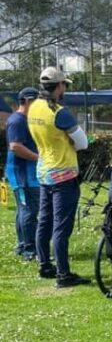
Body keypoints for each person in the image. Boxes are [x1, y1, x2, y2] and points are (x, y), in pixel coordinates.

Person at [27, 67, 90, 287]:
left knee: (44, 221)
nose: (66, 89)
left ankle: (45, 265)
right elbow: (83, 143)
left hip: (44, 171)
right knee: (61, 227)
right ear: (59, 86)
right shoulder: (59, 112)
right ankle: (64, 275)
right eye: (65, 85)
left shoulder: (34, 107)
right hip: (64, 174)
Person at [4, 87, 41, 260]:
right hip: (22, 174)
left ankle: (22, 245)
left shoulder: (26, 119)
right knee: (29, 211)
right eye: (36, 101)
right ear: (27, 101)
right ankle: (29, 249)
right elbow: (15, 146)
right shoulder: (17, 121)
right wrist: (38, 158)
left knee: (23, 210)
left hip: (27, 173)